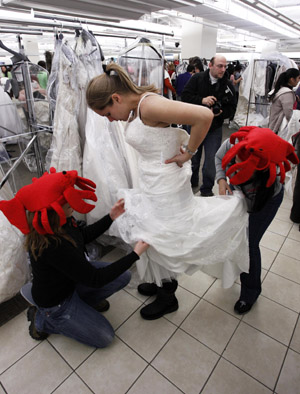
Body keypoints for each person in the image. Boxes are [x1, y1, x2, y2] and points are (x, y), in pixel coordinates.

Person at [86, 62, 250, 321]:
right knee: (154, 232)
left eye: (107, 113)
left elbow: (204, 116)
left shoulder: (148, 105)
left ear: (116, 98)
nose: (109, 120)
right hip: (153, 180)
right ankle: (159, 282)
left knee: (163, 235)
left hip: (166, 185)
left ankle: (168, 295)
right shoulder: (136, 108)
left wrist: (189, 153)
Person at [0, 168, 149, 347]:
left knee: (123, 277)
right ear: (53, 211)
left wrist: (111, 217)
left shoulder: (62, 222)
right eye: (68, 202)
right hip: (56, 303)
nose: (73, 202)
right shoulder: (53, 245)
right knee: (105, 337)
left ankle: (83, 302)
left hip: (70, 281)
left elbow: (82, 236)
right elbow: (96, 279)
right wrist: (135, 254)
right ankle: (42, 320)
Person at [215, 126, 298, 314]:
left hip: (265, 198)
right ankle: (234, 269)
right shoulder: (234, 143)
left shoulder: (272, 169)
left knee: (250, 243)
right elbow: (219, 157)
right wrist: (221, 179)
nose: (235, 165)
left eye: (242, 167)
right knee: (235, 234)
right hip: (240, 194)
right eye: (235, 160)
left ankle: (251, 291)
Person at [182, 54, 236, 195]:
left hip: (214, 127)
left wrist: (220, 113)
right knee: (193, 157)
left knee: (212, 160)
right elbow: (185, 97)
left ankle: (206, 189)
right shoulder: (197, 79)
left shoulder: (228, 85)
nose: (223, 69)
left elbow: (232, 108)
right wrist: (202, 100)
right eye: (219, 66)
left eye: (225, 66)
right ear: (210, 65)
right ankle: (190, 183)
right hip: (194, 126)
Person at [268, 68, 300, 135]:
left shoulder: (281, 89)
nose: (298, 81)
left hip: (274, 123)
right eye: (298, 78)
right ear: (292, 79)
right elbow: (289, 114)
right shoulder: (287, 93)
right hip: (279, 127)